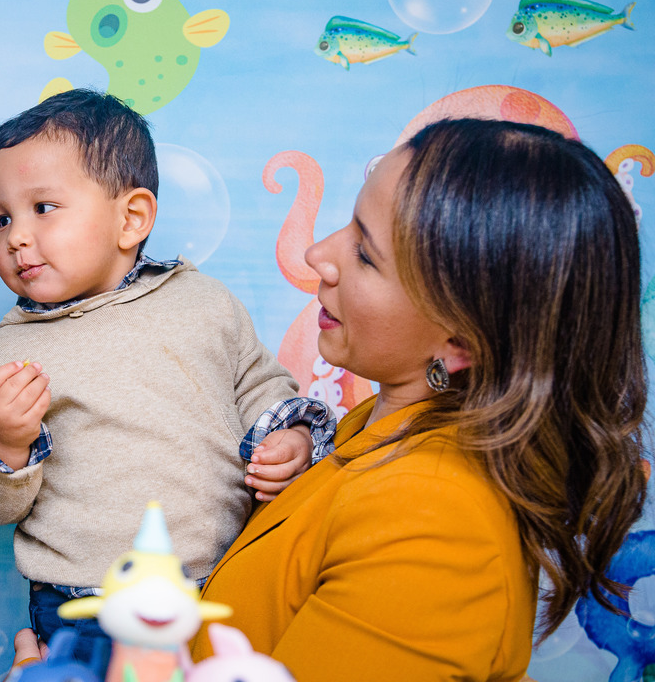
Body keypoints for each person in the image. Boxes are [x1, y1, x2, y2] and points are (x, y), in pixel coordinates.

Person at [190, 118, 649, 681]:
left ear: (462, 341)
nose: (318, 254)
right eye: (349, 226)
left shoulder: (434, 519)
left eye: (365, 254)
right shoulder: (383, 424)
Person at [0, 89, 335, 649]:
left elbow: (259, 384)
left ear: (132, 218)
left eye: (43, 208)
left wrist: (290, 438)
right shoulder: (7, 357)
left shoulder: (203, 303)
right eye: (1, 219)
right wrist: (4, 443)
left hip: (222, 580)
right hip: (85, 603)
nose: (16, 236)